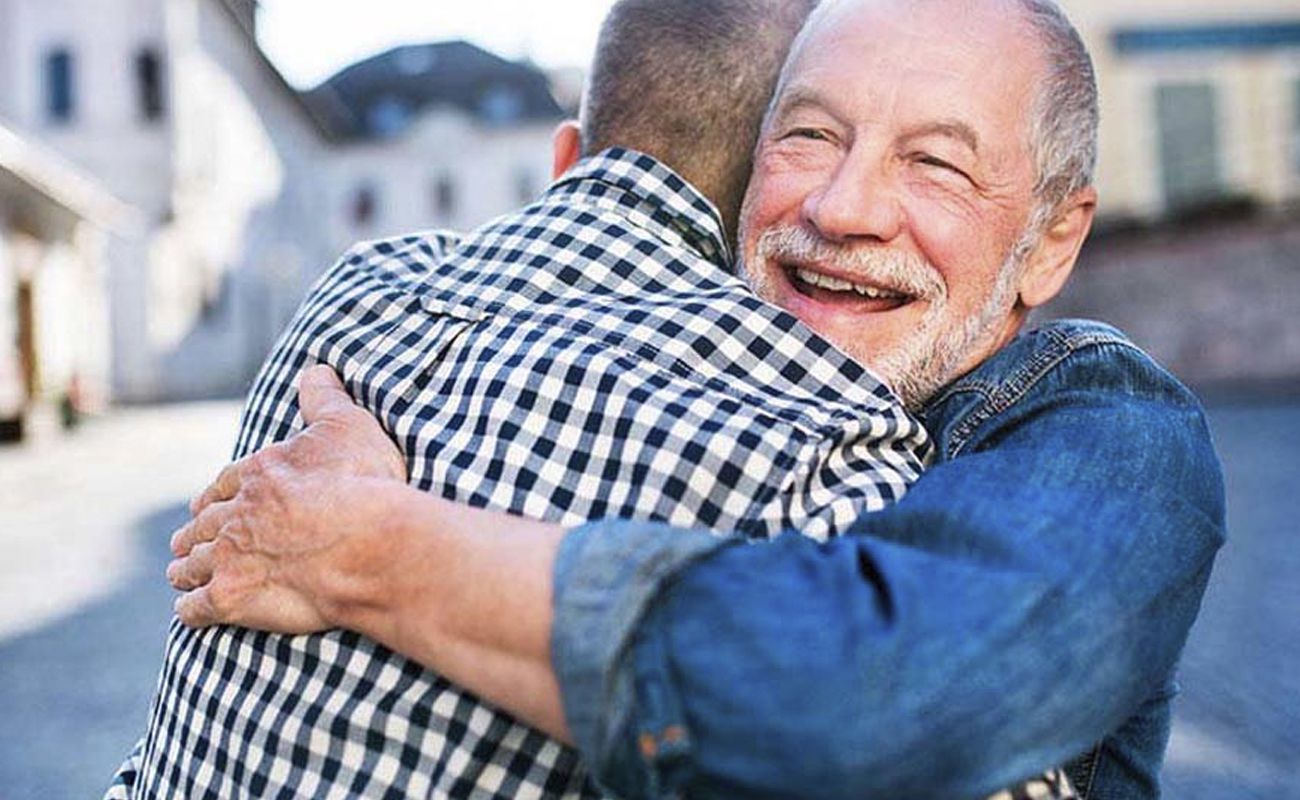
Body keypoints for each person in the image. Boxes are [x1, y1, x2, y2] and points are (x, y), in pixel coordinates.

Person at [164, 0, 1226, 798]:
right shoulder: (718, 400)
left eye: (936, 164)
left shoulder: (1113, 425)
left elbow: (870, 695)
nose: (843, 206)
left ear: (1051, 240)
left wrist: (365, 544)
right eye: (808, 134)